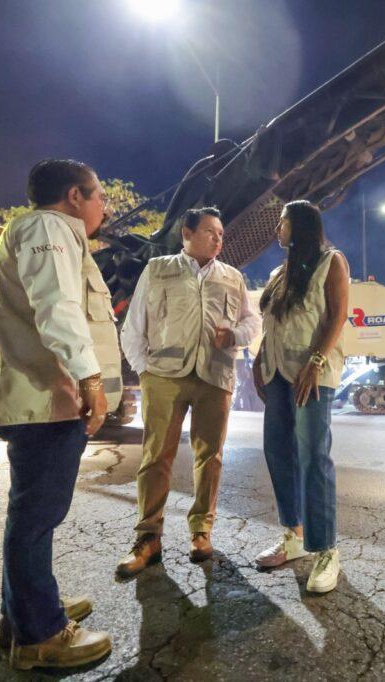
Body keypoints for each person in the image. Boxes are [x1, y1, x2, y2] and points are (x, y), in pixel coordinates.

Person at [0, 159, 122, 670]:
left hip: (43, 400)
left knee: (33, 517)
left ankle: (23, 615)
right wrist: (91, 380)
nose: (106, 205)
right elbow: (58, 306)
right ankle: (40, 636)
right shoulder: (48, 227)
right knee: (35, 520)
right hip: (46, 400)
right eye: (100, 194)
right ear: (74, 196)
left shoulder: (49, 232)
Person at [117, 207, 260, 577]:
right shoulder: (158, 269)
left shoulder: (232, 276)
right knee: (155, 457)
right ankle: (148, 537)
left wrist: (236, 335)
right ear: (187, 233)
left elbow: (251, 321)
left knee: (209, 457)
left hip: (215, 376)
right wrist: (144, 371)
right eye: (211, 231)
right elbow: (134, 325)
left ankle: (201, 531)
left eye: (221, 234)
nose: (218, 239)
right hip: (164, 376)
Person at [252, 200, 349, 593]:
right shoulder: (280, 272)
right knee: (278, 453)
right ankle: (293, 536)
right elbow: (273, 322)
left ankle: (326, 550)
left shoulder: (331, 262)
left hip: (312, 375)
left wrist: (315, 360)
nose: (278, 229)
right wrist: (259, 362)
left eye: (283, 222)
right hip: (277, 376)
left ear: (301, 225)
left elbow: (337, 316)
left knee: (313, 458)